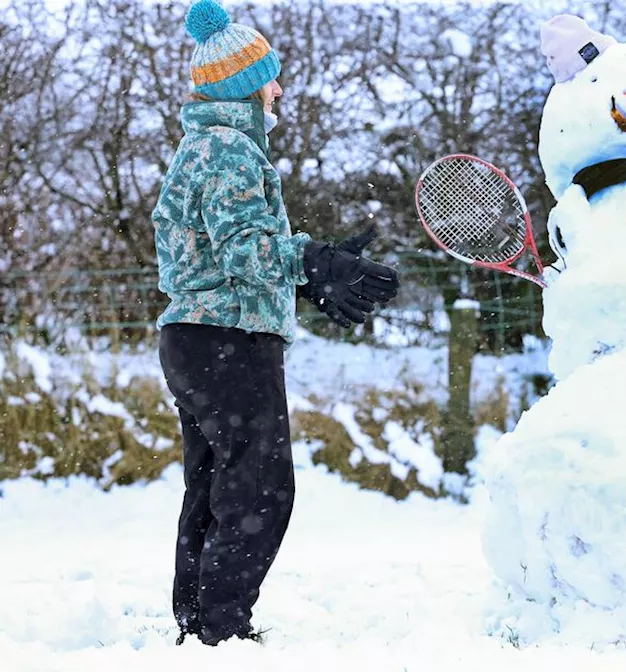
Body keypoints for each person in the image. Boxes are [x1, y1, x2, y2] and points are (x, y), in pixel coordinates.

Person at [151, 0, 400, 646]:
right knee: (261, 490)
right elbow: (247, 254)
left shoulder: (202, 148)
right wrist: (313, 261)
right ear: (242, 85)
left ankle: (199, 623)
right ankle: (223, 632)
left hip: (192, 336)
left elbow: (230, 256)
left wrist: (316, 270)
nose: (279, 88)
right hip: (228, 339)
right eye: (270, 76)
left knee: (213, 486)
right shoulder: (231, 151)